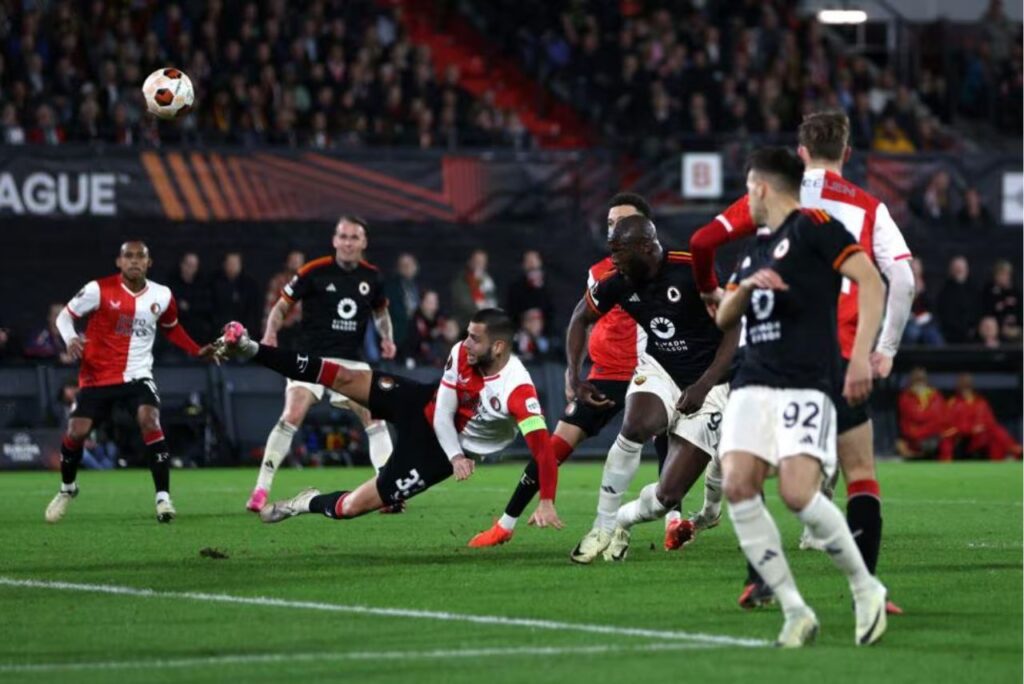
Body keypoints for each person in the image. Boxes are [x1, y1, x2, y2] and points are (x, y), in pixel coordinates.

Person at [688, 110, 915, 614]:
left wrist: (711, 292)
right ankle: (868, 588)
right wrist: (883, 350)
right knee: (860, 472)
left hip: (768, 356)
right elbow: (901, 280)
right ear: (848, 154)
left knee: (749, 471)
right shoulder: (869, 207)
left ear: (802, 153)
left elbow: (703, 242)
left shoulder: (775, 195)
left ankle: (760, 579)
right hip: (837, 352)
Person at [716, 146, 888, 648]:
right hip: (752, 381)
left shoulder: (816, 227)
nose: (745, 198)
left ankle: (865, 588)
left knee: (796, 493)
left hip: (804, 380)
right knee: (738, 484)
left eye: (748, 188)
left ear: (762, 187)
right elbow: (724, 318)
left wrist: (859, 358)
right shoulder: (753, 252)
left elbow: (871, 282)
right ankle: (795, 609)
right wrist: (745, 287)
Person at [214, 309, 564, 530]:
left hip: (435, 456)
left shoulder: (518, 391)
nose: (465, 342)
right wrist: (458, 456)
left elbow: (544, 452)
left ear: (499, 347)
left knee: (350, 507)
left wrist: (546, 500)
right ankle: (250, 348)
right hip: (424, 407)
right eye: (467, 334)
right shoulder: (461, 353)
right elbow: (442, 410)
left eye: (475, 338)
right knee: (343, 376)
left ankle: (303, 502)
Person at [468, 193, 676, 550]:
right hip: (607, 374)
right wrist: (573, 373)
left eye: (623, 224)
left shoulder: (669, 271)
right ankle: (505, 524)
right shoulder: (600, 272)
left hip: (652, 370)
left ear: (646, 231)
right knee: (554, 446)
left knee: (668, 441)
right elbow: (581, 319)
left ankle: (675, 522)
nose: (615, 231)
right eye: (611, 224)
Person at [567, 213, 739, 564]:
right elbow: (580, 318)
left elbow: (735, 330)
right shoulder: (618, 280)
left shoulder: (692, 270)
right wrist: (573, 377)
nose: (612, 258)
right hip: (660, 370)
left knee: (667, 496)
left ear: (646, 246)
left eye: (618, 250)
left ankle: (623, 522)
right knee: (636, 426)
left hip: (711, 383)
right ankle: (601, 525)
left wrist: (704, 385)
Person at [46, 241, 216, 524]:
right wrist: (71, 338)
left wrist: (196, 349)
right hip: (97, 377)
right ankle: (67, 488)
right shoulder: (97, 290)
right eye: (129, 256)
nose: (134, 261)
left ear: (149, 263)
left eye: (141, 257)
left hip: (138, 375)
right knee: (76, 432)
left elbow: (172, 328)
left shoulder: (162, 295)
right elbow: (65, 317)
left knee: (149, 419)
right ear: (119, 262)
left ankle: (163, 498)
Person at [247, 217, 397, 512]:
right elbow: (281, 306)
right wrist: (269, 332)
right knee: (292, 413)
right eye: (343, 237)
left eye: (354, 237)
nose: (348, 243)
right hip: (311, 358)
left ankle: (388, 492)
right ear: (334, 240)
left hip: (351, 361)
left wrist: (387, 339)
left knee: (375, 417)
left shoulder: (373, 277)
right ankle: (260, 490)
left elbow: (381, 313)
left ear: (364, 243)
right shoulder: (313, 271)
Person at [946, 373, 1021, 461]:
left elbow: (990, 421)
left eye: (967, 387)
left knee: (994, 431)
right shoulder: (954, 403)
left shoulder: (980, 402)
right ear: (959, 388)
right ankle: (1013, 448)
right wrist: (971, 429)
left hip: (979, 436)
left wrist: (980, 427)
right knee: (994, 431)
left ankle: (1003, 459)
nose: (966, 390)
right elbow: (950, 424)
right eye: (963, 387)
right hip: (962, 436)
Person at [896, 368, 956, 460]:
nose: (919, 382)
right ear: (911, 380)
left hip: (934, 435)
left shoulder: (936, 396)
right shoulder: (905, 397)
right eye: (916, 379)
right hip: (913, 438)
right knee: (901, 444)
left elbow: (939, 418)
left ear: (926, 380)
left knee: (948, 435)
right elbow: (915, 416)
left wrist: (925, 423)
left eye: (921, 379)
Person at [166, 252, 213, 348]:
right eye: (189, 265)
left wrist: (189, 307)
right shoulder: (172, 283)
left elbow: (206, 307)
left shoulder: (202, 284)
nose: (191, 268)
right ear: (182, 265)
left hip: (197, 328)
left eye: (194, 266)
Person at [210, 252, 262, 335]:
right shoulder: (214, 283)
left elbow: (253, 312)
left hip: (243, 331)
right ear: (224, 265)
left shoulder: (249, 285)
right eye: (230, 263)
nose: (232, 267)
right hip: (220, 329)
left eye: (235, 264)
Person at [262, 250, 305, 349]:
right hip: (279, 324)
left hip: (298, 327)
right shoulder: (277, 281)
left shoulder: (306, 282)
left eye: (298, 261)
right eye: (292, 261)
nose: (295, 264)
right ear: (287, 262)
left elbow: (302, 309)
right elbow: (269, 305)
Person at [506, 250, 554, 334]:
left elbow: (551, 310)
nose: (532, 264)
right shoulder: (515, 287)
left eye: (534, 260)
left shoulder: (548, 285)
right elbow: (511, 311)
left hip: (545, 332)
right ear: (523, 265)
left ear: (540, 262)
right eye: (528, 261)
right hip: (522, 331)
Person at [450, 249, 497, 329]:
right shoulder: (461, 281)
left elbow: (492, 302)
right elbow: (465, 305)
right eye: (477, 261)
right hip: (465, 324)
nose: (479, 265)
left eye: (482, 262)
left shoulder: (488, 282)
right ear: (470, 262)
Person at [383, 253, 420, 352]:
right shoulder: (392, 286)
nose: (407, 268)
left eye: (409, 265)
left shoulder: (417, 285)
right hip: (399, 327)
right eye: (403, 265)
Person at [902, 258, 945, 346]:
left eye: (916, 266)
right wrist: (913, 295)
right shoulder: (903, 283)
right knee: (912, 333)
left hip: (927, 321)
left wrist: (923, 292)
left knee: (935, 338)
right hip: (909, 320)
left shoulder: (929, 283)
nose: (914, 269)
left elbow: (932, 305)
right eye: (912, 266)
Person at [937, 256, 979, 343]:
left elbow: (978, 310)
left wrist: (973, 327)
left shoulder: (974, 289)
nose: (959, 270)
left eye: (961, 268)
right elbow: (944, 315)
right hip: (951, 333)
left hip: (973, 331)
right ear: (951, 270)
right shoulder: (945, 291)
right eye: (956, 268)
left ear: (967, 270)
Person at [981, 260, 1022, 341]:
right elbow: (987, 311)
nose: (1004, 277)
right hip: (996, 329)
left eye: (1007, 274)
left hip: (1015, 328)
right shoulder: (989, 290)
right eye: (1001, 274)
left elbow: (1020, 309)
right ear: (995, 275)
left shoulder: (1015, 291)